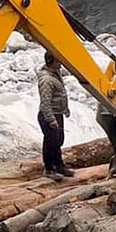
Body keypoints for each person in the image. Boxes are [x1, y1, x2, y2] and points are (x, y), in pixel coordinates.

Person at [37, 52, 75, 180]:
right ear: (51, 61)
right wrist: (51, 119)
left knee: (58, 141)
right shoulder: (47, 80)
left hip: (57, 113)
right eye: (58, 60)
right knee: (50, 142)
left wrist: (65, 109)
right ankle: (49, 169)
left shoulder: (55, 73)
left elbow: (59, 95)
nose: (61, 63)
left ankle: (59, 166)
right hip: (49, 115)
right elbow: (45, 102)